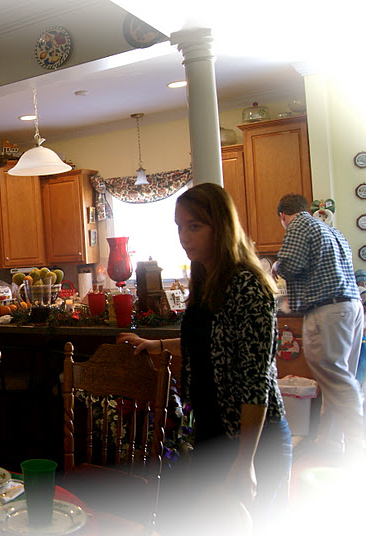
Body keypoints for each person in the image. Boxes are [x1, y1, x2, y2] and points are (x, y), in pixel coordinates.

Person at [117, 183, 290, 528]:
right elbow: (209, 342)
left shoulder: (248, 286)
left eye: (194, 226)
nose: (184, 236)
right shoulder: (206, 278)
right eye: (180, 227)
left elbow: (255, 382)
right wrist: (156, 345)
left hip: (251, 440)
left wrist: (245, 462)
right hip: (214, 431)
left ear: (221, 227)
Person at [274, 193, 365, 457]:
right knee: (337, 380)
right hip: (351, 307)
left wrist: (276, 266)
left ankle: (358, 445)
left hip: (329, 310)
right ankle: (331, 443)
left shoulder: (298, 224)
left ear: (282, 216)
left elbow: (290, 264)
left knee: (335, 378)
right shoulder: (331, 230)